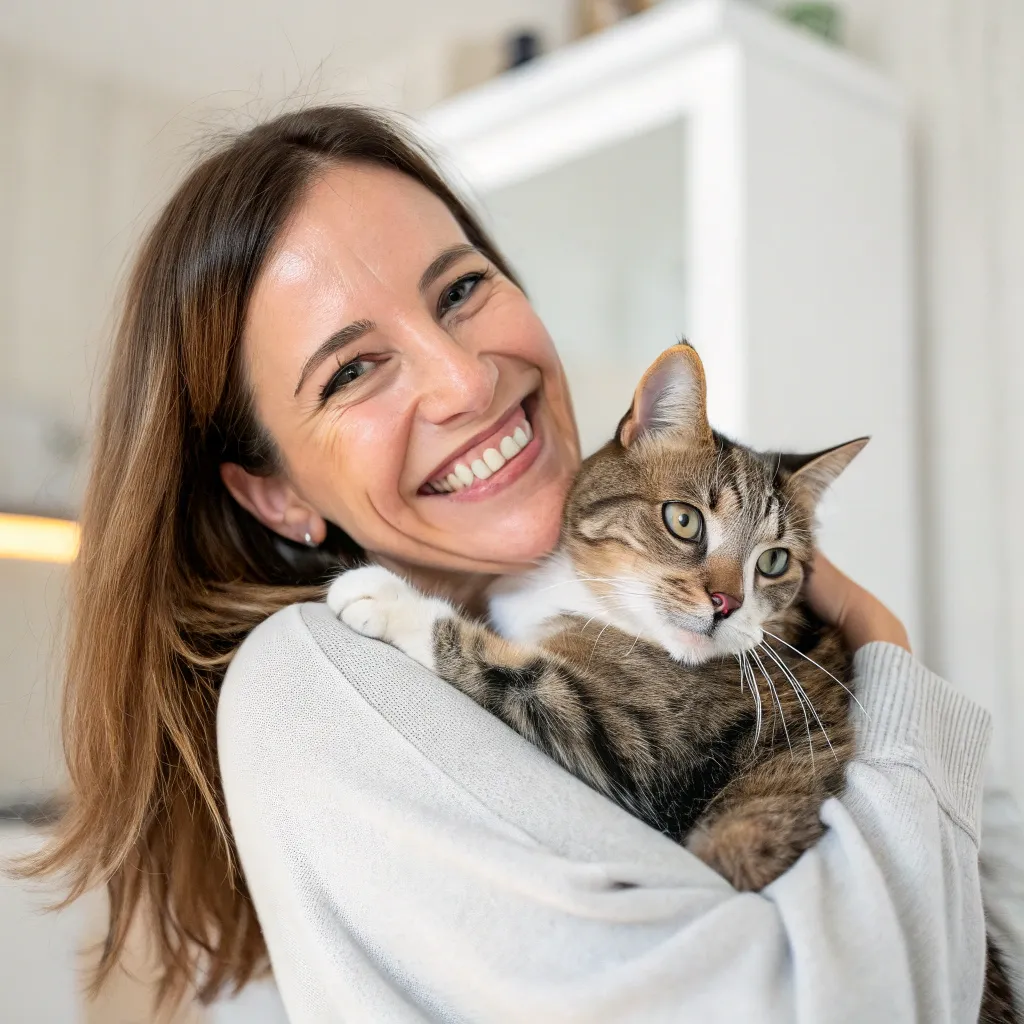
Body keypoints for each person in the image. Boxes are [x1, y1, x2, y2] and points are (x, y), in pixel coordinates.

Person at [22, 106, 1023, 1022]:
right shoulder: (309, 673)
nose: (463, 380)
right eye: (352, 369)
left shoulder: (583, 621)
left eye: (460, 290)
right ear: (274, 492)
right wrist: (890, 670)